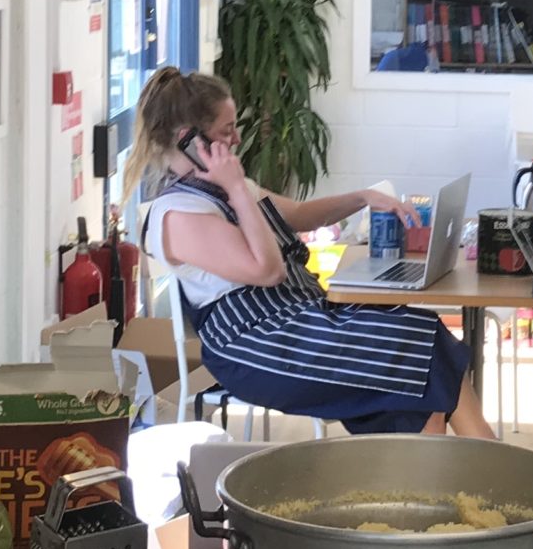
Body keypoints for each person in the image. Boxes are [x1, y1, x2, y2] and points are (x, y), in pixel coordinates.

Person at [132, 67, 494, 438]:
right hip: (256, 346)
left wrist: (363, 197)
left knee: (416, 370)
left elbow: (302, 215)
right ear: (189, 140)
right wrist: (238, 190)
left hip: (296, 317)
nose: (237, 138)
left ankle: (465, 464)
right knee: (417, 340)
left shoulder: (223, 188)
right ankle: (492, 460)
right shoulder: (178, 215)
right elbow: (267, 270)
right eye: (227, 131)